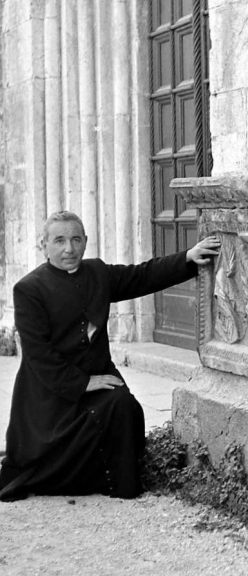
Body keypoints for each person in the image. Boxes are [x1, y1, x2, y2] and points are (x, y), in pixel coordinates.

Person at [0, 211, 220, 502]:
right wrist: (82, 384)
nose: (69, 248)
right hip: (49, 391)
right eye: (60, 241)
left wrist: (188, 258)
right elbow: (39, 356)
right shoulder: (29, 289)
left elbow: (142, 275)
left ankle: (117, 482)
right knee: (55, 443)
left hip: (98, 374)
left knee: (123, 406)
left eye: (76, 239)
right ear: (44, 245)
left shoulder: (97, 273)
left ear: (86, 241)